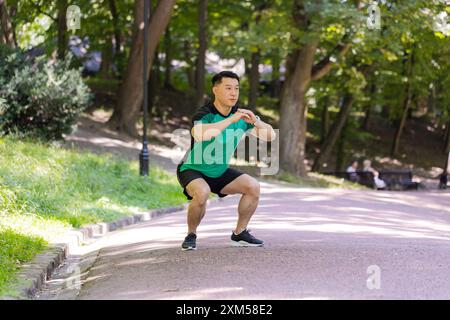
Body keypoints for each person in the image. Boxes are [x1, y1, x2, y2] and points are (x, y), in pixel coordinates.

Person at [176, 71, 276, 251]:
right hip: (193, 169)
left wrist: (256, 121)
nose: (233, 93)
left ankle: (239, 233)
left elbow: (270, 136)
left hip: (220, 171)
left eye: (236, 89)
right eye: (228, 88)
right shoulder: (205, 113)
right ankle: (191, 235)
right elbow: (200, 134)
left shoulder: (241, 116)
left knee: (253, 187)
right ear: (215, 90)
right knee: (202, 193)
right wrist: (231, 119)